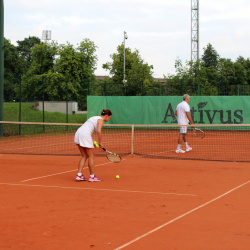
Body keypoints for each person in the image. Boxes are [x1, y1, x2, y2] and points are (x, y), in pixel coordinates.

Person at [74, 109, 112, 182]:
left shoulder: (94, 117)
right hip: (85, 135)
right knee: (91, 156)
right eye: (109, 117)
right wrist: (100, 142)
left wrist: (92, 142)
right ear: (107, 116)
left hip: (78, 133)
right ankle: (92, 176)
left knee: (84, 156)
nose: (109, 119)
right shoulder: (101, 120)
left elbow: (87, 129)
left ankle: (79, 175)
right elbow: (98, 131)